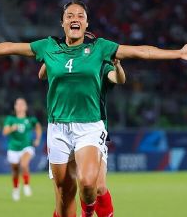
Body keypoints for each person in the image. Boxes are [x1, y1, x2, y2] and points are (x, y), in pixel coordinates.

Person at [0, 0, 187, 216]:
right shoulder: (49, 47)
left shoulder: (100, 48)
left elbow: (141, 51)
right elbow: (12, 47)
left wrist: (177, 53)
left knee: (88, 182)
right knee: (63, 192)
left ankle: (88, 212)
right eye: (69, 15)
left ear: (86, 24)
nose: (75, 18)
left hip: (89, 126)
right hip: (57, 127)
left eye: (80, 15)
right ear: (62, 23)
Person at [39, 32, 124, 217]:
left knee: (98, 186)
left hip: (91, 128)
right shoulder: (63, 57)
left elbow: (117, 78)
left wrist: (118, 67)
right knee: (64, 197)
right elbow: (42, 75)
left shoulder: (101, 64)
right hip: (62, 126)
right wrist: (54, 58)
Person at [2, 97, 42, 201]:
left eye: (22, 104)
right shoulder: (10, 119)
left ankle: (26, 185)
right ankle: (15, 189)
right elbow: (4, 132)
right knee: (15, 170)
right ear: (15, 107)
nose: (20, 106)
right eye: (18, 104)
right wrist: (11, 128)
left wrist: (37, 139)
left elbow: (38, 127)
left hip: (27, 146)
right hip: (13, 148)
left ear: (26, 107)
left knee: (24, 164)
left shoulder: (30, 120)